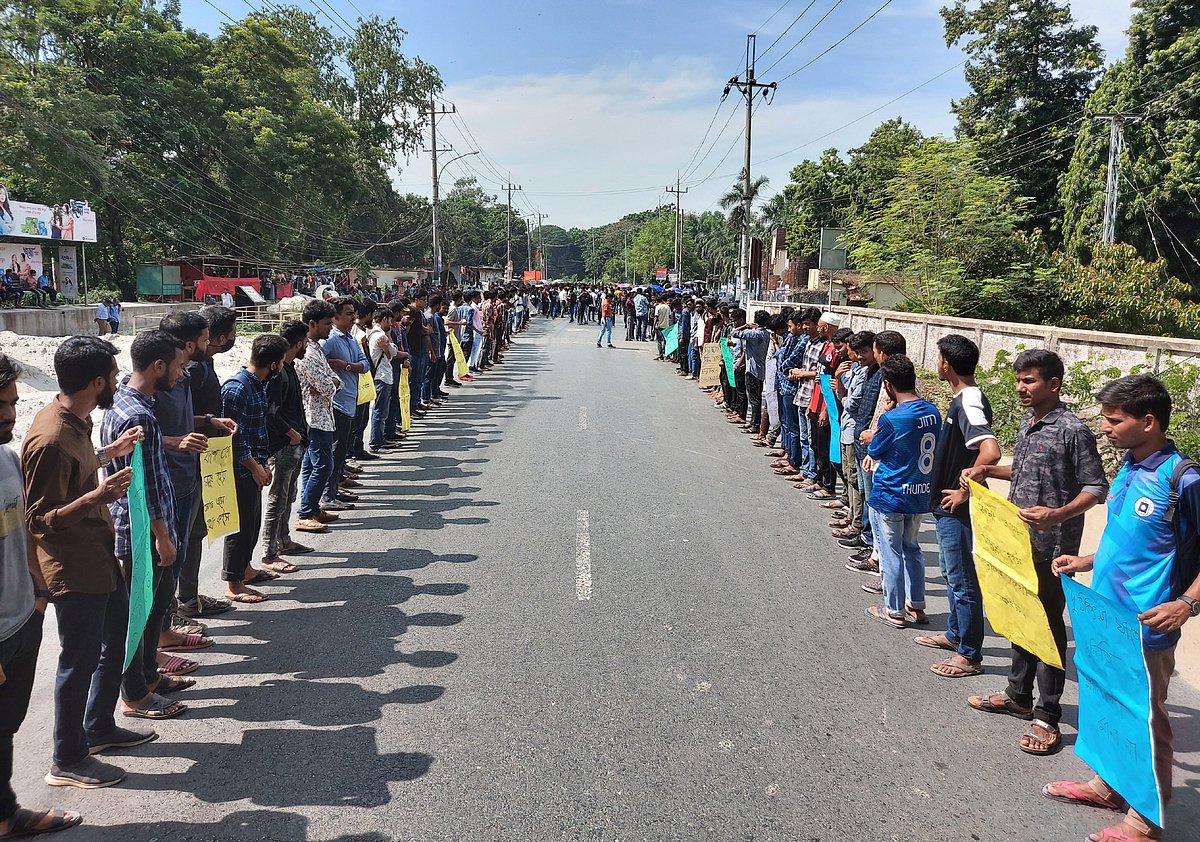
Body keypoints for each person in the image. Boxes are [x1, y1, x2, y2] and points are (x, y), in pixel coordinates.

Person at [1045, 375, 1200, 842]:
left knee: (1145, 713)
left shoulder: (1184, 478)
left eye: (1114, 421)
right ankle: (1110, 784)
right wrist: (1087, 560)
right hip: (1106, 615)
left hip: (1146, 622)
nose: (1106, 429)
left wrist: (1187, 603)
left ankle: (1146, 820)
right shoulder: (1130, 466)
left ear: (1148, 422)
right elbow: (1129, 540)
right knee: (1107, 700)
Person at [963, 348, 1107, 756]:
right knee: (1020, 617)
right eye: (1019, 380)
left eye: (1029, 381)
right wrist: (988, 470)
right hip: (1017, 543)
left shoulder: (1072, 430)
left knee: (1046, 628)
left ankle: (1047, 715)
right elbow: (1023, 471)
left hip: (1053, 548)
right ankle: (1017, 694)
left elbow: (1096, 488)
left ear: (1054, 385)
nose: (1021, 387)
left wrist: (1058, 513)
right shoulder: (1030, 425)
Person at [23, 337, 150, 790]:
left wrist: (108, 454)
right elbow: (37, 519)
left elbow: (74, 472)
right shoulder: (51, 436)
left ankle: (98, 728)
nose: (118, 382)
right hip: (73, 567)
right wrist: (101, 493)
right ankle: (67, 757)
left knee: (112, 642)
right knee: (79, 660)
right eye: (113, 376)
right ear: (97, 381)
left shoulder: (76, 421)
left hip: (98, 556)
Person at [0, 353, 82, 834]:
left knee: (5, 729)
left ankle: (5, 814)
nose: (10, 413)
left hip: (20, 618)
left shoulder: (8, 458)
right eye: (0, 404)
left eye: (11, 402)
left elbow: (25, 530)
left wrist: (37, 595)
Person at [100, 330, 189, 722]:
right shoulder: (138, 415)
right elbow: (146, 486)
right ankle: (134, 694)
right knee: (142, 613)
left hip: (140, 529)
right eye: (178, 366)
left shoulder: (127, 401)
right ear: (158, 366)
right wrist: (163, 538)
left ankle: (149, 677)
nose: (182, 375)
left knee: (151, 609)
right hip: (141, 534)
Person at [917, 334, 1001, 678]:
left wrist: (964, 491)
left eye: (938, 358)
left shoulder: (969, 400)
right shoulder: (964, 398)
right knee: (954, 575)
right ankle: (955, 635)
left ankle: (969, 654)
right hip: (946, 505)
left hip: (957, 509)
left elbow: (990, 452)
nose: (937, 363)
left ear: (945, 364)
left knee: (962, 578)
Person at [862, 354, 941, 630]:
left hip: (891, 492)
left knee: (890, 549)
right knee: (912, 547)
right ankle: (916, 605)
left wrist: (870, 437)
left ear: (887, 385)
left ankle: (893, 609)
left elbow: (875, 450)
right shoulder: (933, 412)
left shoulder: (892, 418)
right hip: (919, 491)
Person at [175, 306, 239, 621]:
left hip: (203, 458)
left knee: (196, 531)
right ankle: (176, 607)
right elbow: (173, 416)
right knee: (182, 535)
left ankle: (187, 597)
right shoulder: (192, 371)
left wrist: (211, 421)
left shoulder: (202, 365)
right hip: (188, 463)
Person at [221, 334, 288, 603]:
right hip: (240, 469)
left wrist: (263, 465)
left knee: (252, 523)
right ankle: (233, 583)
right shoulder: (237, 389)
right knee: (240, 526)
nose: (283, 366)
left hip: (255, 465)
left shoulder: (258, 384)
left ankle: (245, 569)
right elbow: (233, 438)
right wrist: (254, 467)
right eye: (281, 362)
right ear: (273, 364)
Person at [262, 320, 315, 567]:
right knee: (277, 499)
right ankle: (269, 552)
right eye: (305, 341)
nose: (307, 345)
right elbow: (271, 412)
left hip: (296, 443)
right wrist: (291, 433)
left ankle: (284, 540)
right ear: (297, 343)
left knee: (289, 496)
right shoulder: (279, 373)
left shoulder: (290, 368)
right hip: (283, 446)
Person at [294, 299, 341, 532]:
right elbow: (327, 386)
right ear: (312, 323)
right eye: (326, 324)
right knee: (323, 466)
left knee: (313, 465)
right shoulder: (308, 354)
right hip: (314, 417)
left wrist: (331, 382)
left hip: (323, 414)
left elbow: (334, 379)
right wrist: (330, 382)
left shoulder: (317, 349)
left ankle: (311, 508)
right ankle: (306, 512)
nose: (330, 328)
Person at [321, 298, 369, 511]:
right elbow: (317, 366)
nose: (353, 317)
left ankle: (335, 489)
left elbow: (365, 365)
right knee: (333, 452)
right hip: (336, 403)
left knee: (341, 451)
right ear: (335, 317)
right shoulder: (329, 340)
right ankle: (327, 496)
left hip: (351, 400)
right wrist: (344, 369)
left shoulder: (350, 339)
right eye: (348, 313)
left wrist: (347, 366)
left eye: (353, 313)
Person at [364, 307, 397, 453]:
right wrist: (389, 345)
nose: (391, 323)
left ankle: (380, 440)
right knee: (380, 412)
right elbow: (394, 352)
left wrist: (389, 350)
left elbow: (390, 353)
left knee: (382, 411)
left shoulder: (374, 334)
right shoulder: (380, 336)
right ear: (384, 319)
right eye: (390, 320)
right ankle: (376, 443)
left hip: (383, 375)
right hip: (381, 376)